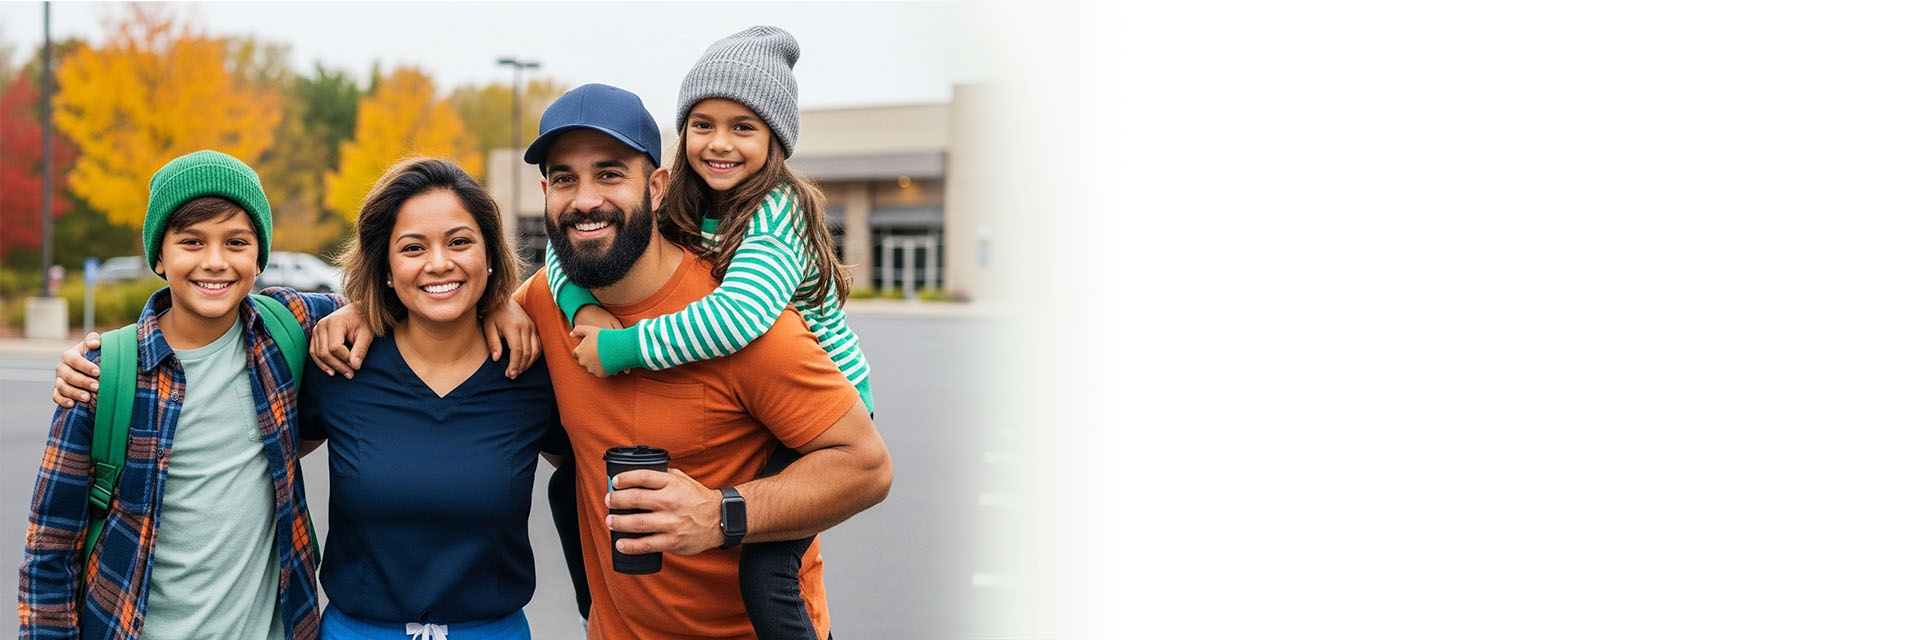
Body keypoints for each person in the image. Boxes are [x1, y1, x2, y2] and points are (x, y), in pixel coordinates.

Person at [542, 27, 876, 639]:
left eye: (743, 127)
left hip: (839, 392)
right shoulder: (676, 212)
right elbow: (555, 256)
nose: (720, 143)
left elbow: (738, 316)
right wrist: (580, 307)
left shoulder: (773, 233)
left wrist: (623, 348)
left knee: (766, 572)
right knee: (568, 488)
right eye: (703, 124)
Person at [19, 150, 333, 640]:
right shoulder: (105, 372)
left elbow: (393, 296)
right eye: (191, 241)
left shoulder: (285, 327)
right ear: (160, 257)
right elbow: (50, 549)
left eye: (236, 242)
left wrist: (352, 315)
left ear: (259, 257)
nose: (215, 261)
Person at [295, 157, 567, 640]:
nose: (439, 263)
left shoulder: (529, 370)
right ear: (385, 267)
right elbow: (257, 470)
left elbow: (589, 474)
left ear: (489, 255)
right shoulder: (341, 364)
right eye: (413, 248)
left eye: (459, 242)